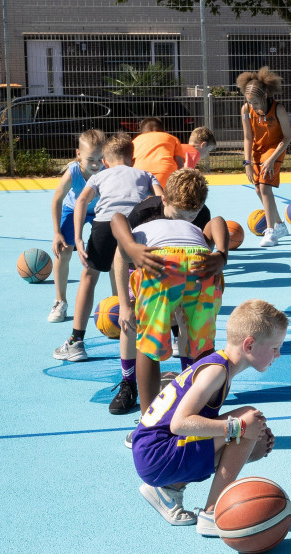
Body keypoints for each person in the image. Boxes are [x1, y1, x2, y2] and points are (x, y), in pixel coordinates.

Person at [132, 298, 284, 535]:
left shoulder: (220, 366)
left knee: (256, 437)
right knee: (248, 421)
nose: (279, 354)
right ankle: (213, 513)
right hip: (156, 453)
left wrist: (244, 430)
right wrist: (238, 428)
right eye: (275, 348)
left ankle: (169, 489)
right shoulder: (216, 372)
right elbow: (179, 423)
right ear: (250, 345)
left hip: (155, 452)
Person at [111, 167, 229, 427]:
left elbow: (116, 220)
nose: (185, 220)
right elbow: (219, 222)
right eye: (181, 215)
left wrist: (130, 246)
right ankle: (200, 419)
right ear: (164, 200)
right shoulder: (145, 211)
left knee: (149, 346)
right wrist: (221, 253)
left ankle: (148, 424)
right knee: (204, 349)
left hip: (162, 263)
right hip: (199, 265)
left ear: (199, 207)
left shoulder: (158, 224)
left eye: (191, 216)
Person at [54, 133, 161, 365]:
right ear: (133, 159)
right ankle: (166, 334)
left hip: (105, 225)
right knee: (145, 277)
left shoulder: (99, 176)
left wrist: (79, 239)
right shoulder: (146, 174)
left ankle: (76, 342)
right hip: (135, 223)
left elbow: (81, 201)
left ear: (105, 162)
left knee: (89, 277)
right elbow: (161, 200)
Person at [47, 129, 106, 323]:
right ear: (78, 155)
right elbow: (57, 199)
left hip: (100, 211)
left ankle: (119, 302)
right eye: (91, 159)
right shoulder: (73, 172)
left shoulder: (108, 170)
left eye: (100, 158)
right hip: (73, 210)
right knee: (63, 251)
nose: (96, 164)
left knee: (113, 253)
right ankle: (60, 301)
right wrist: (56, 233)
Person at [238, 66, 291, 247]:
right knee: (257, 189)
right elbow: (248, 137)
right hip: (256, 150)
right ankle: (280, 226)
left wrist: (271, 159)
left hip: (274, 149)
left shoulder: (278, 109)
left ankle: (271, 232)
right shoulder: (246, 110)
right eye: (249, 101)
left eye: (254, 101)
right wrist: (247, 161)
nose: (252, 105)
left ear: (264, 96)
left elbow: (287, 137)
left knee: (265, 188)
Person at [132, 117, 185, 189]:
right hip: (166, 173)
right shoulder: (172, 138)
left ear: (141, 132)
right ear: (163, 130)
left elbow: (130, 162)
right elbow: (180, 164)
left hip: (140, 175)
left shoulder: (135, 140)